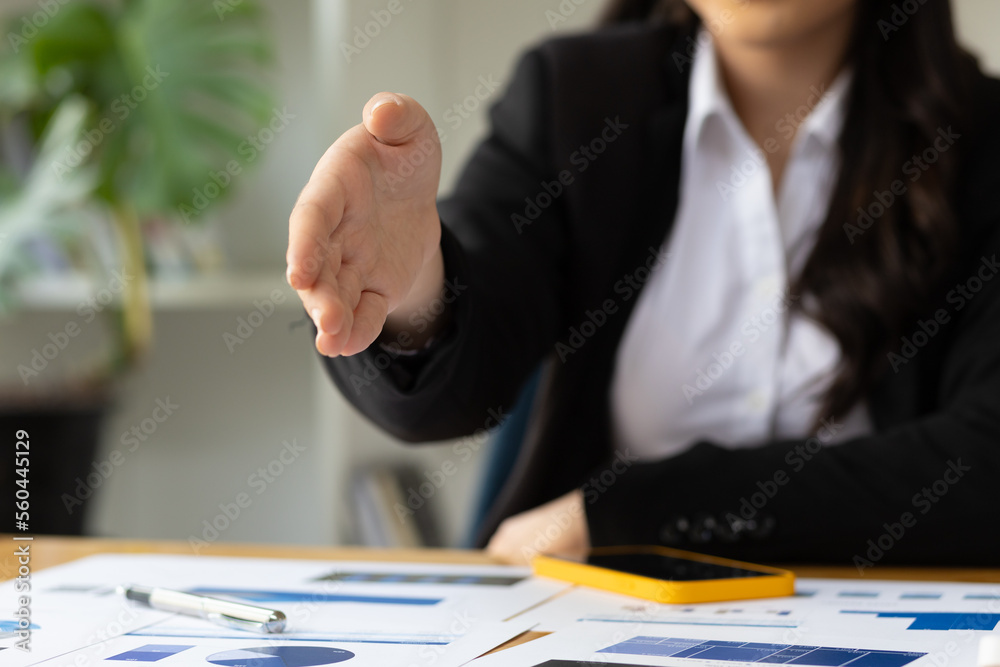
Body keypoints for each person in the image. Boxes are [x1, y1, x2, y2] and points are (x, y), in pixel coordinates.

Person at [286, 0, 1000, 566]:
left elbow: (984, 465)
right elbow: (463, 372)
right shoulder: (575, 101)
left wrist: (638, 510)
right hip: (595, 621)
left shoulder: (984, 144)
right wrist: (411, 290)